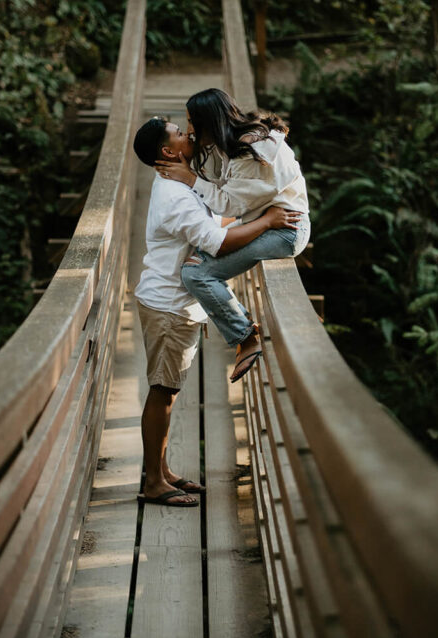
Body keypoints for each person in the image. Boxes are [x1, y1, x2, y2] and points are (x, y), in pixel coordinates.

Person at [132, 115, 301, 507]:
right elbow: (217, 242)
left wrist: (255, 215)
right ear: (168, 151)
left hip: (174, 303)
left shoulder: (179, 183)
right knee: (163, 391)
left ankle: (162, 471)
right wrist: (268, 221)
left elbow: (213, 221)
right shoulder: (174, 195)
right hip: (168, 305)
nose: (188, 132)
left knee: (167, 390)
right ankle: (154, 483)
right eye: (179, 132)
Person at [155, 88, 310, 383]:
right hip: (268, 221)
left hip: (285, 230)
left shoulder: (251, 152)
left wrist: (188, 178)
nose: (188, 131)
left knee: (197, 274)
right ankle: (243, 333)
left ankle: (245, 336)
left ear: (208, 122)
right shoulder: (237, 142)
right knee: (194, 264)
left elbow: (229, 203)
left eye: (191, 122)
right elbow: (227, 193)